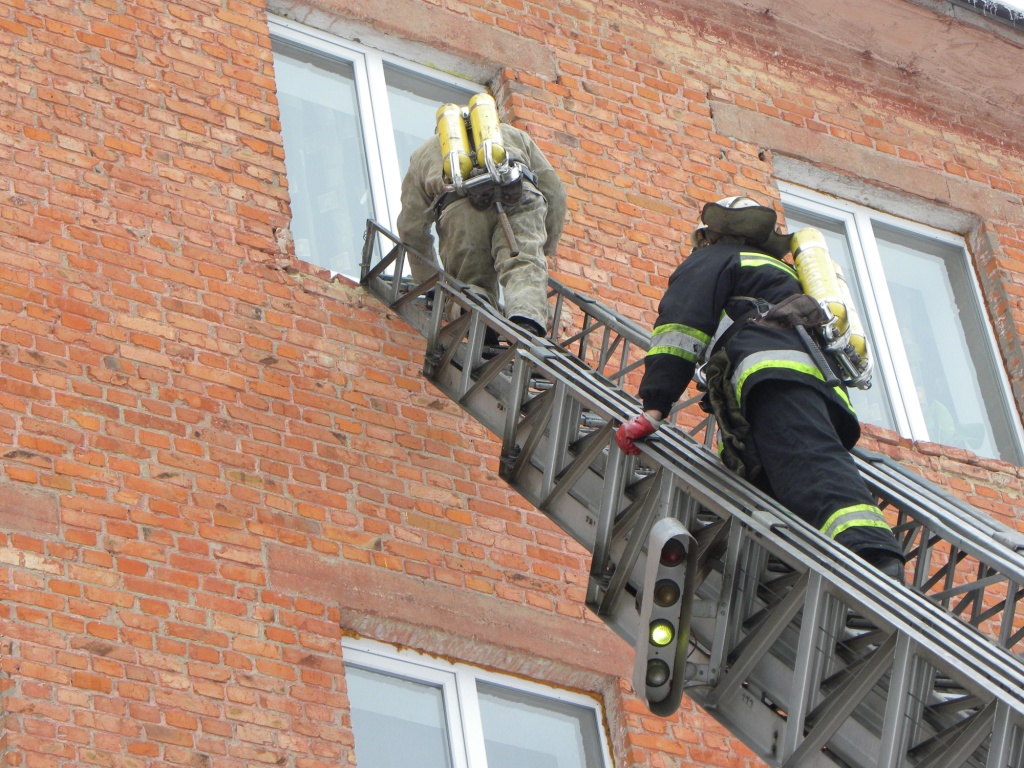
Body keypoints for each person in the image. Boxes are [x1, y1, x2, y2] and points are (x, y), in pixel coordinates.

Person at [615, 196, 905, 581]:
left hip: (772, 378)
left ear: (710, 236)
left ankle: (873, 558)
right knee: (786, 480)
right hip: (809, 385)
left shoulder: (716, 258)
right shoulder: (780, 272)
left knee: (811, 464)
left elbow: (680, 329)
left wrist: (654, 407)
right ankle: (816, 571)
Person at [397, 101, 567, 338]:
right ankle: (526, 318)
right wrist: (545, 244)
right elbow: (555, 192)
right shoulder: (513, 135)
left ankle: (476, 317)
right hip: (517, 195)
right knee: (524, 264)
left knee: (471, 282)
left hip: (461, 210)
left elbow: (411, 228)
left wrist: (429, 282)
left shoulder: (424, 154)